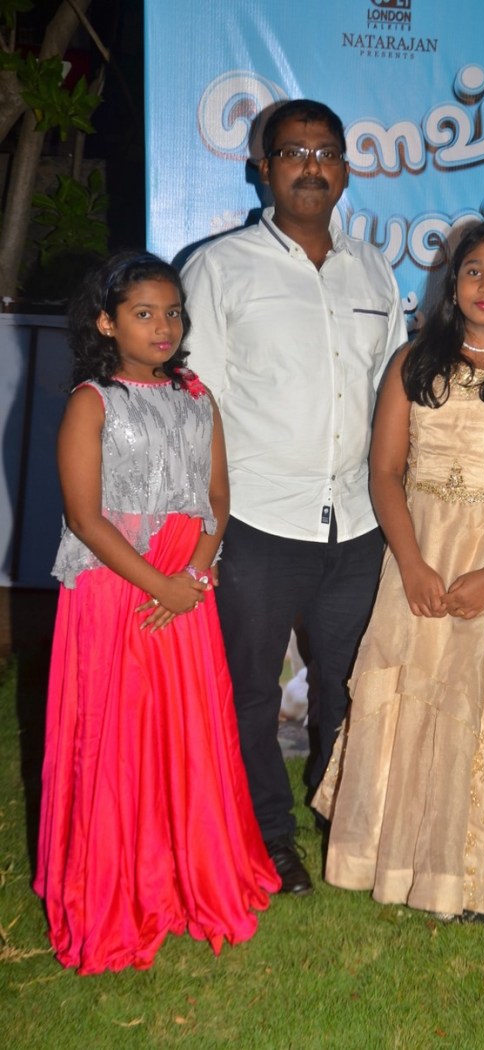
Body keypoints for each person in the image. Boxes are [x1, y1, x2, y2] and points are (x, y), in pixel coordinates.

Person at [314, 220, 484, 925]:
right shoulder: (413, 364)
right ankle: (396, 856)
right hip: (421, 554)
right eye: (474, 271)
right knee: (411, 694)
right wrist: (411, 564)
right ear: (452, 284)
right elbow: (384, 472)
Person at [181, 99, 407, 896]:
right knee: (250, 690)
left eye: (325, 153)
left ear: (345, 169)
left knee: (351, 681)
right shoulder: (219, 268)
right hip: (257, 520)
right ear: (263, 168)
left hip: (358, 521)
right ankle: (268, 835)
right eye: (293, 152)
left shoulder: (374, 269)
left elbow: (394, 393)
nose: (311, 166)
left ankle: (340, 816)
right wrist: (207, 527)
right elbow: (196, 402)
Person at [33, 251, 280, 975]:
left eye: (173, 313)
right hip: (116, 587)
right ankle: (115, 892)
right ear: (107, 323)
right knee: (116, 738)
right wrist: (159, 586)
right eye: (144, 314)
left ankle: (189, 874)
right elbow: (85, 518)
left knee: (187, 734)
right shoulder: (92, 401)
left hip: (186, 587)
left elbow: (218, 498)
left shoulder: (199, 397)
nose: (163, 326)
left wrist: (194, 576)